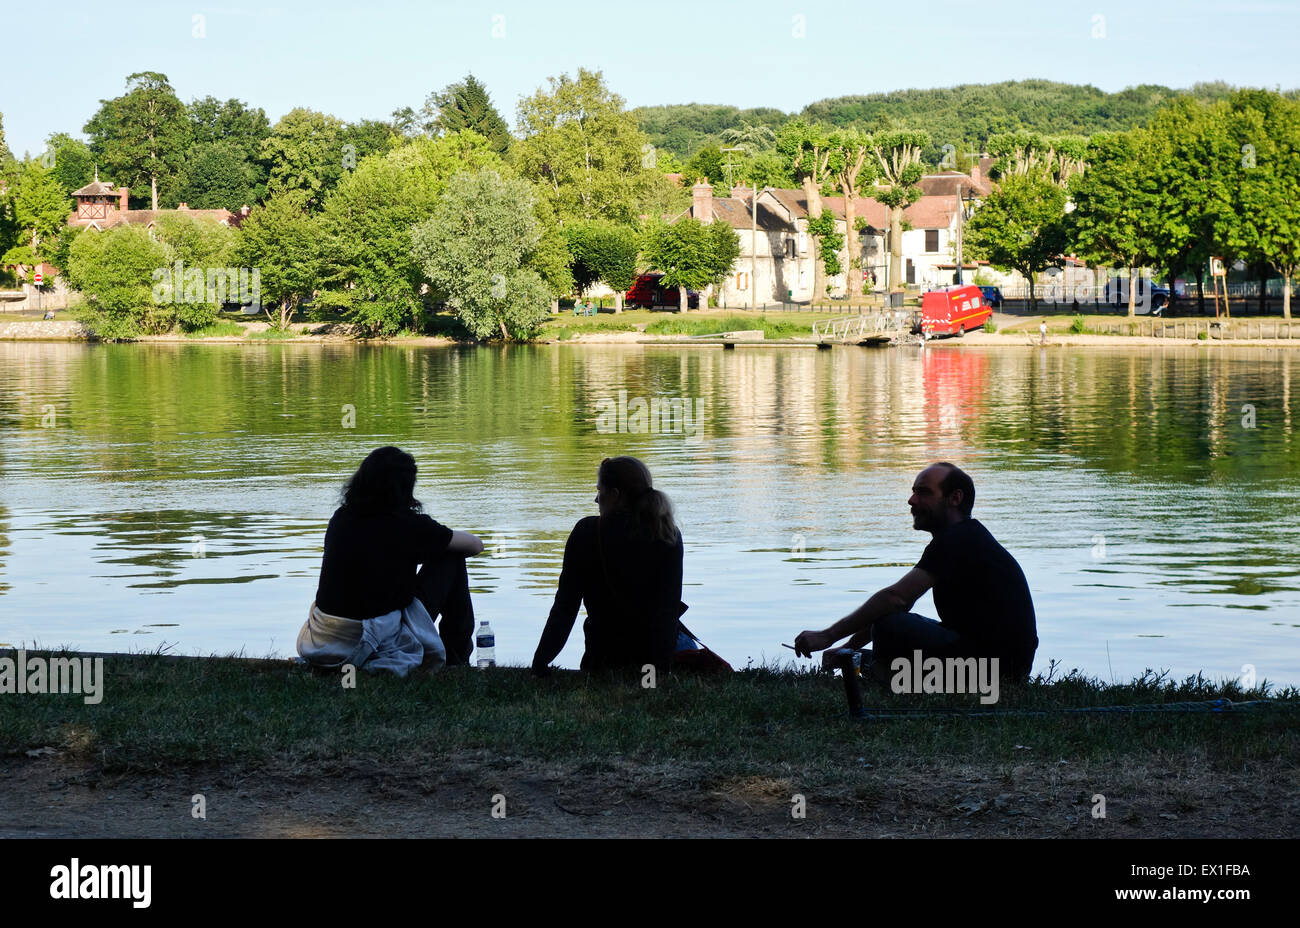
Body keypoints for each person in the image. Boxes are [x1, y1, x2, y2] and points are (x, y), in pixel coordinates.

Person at [793, 463, 1037, 683]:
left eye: (923, 492)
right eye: (914, 491)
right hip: (998, 666)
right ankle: (870, 667)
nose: (911, 500)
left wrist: (828, 636)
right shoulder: (963, 537)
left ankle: (884, 675)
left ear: (955, 498)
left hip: (996, 671)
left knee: (892, 625)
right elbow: (900, 603)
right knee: (889, 619)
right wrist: (848, 648)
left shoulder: (958, 540)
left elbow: (896, 598)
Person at [298, 446, 484, 674]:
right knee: (452, 557)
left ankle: (456, 658)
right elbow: (475, 545)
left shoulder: (341, 518)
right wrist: (433, 544)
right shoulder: (408, 524)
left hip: (326, 632)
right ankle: (457, 659)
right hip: (372, 631)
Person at [532, 456, 683, 676]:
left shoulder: (587, 532)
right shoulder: (668, 534)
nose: (596, 499)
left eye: (600, 491)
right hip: (649, 662)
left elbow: (565, 609)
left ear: (614, 496)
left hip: (600, 661)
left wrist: (539, 664)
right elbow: (667, 613)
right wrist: (654, 674)